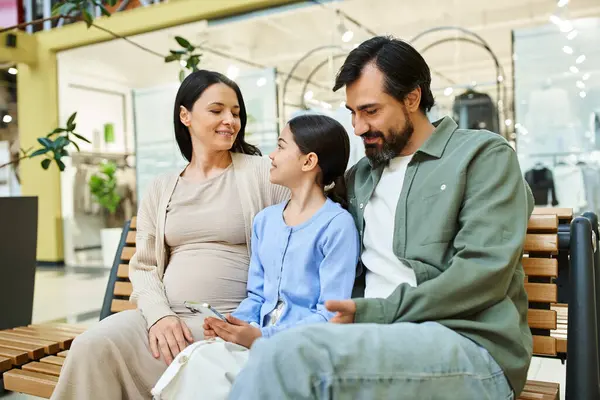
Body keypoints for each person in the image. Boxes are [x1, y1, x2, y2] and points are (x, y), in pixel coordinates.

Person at [229, 36, 534, 399]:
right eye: (352, 113)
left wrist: (378, 312)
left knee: (288, 357)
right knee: (236, 363)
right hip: (368, 342)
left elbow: (482, 274)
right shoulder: (361, 176)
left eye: (370, 111)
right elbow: (302, 202)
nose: (357, 127)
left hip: (467, 346)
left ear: (412, 98)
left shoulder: (481, 156)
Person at [51, 70, 289, 400]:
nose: (230, 121)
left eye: (236, 113)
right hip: (163, 318)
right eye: (217, 110)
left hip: (227, 323)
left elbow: (308, 215)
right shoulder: (162, 187)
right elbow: (145, 266)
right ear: (185, 115)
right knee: (92, 344)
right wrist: (159, 315)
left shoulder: (261, 172)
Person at [151, 114, 360, 400]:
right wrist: (233, 324)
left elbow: (332, 314)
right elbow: (257, 296)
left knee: (210, 370)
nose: (271, 156)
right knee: (200, 360)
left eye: (281, 146)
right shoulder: (265, 221)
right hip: (257, 343)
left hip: (302, 350)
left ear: (308, 161)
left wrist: (263, 339)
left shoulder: (337, 226)